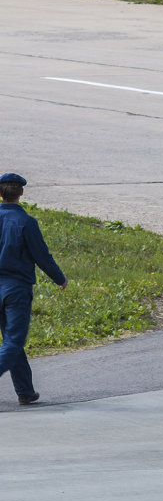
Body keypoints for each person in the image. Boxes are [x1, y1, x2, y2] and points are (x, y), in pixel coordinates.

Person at [0, 173, 68, 407]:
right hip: (15, 289)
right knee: (13, 342)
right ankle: (25, 390)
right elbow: (41, 255)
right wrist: (59, 277)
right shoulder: (26, 223)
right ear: (21, 193)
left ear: (0, 194)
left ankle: (25, 392)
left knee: (11, 341)